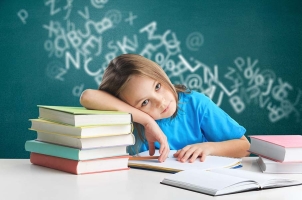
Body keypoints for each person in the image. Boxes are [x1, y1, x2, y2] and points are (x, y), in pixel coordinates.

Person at [80, 54, 250, 162]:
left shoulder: (195, 104)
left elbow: (245, 147)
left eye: (157, 86)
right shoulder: (127, 118)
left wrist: (209, 148)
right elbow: (87, 96)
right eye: (144, 103)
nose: (161, 102)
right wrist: (147, 122)